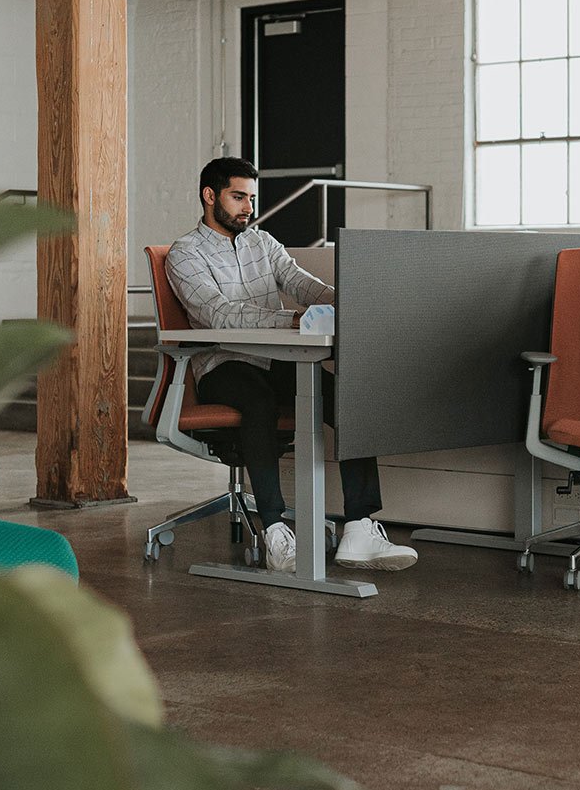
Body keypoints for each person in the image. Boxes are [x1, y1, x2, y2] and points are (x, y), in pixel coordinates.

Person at [166, 156, 417, 574]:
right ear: (210, 196)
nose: (248, 207)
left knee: (346, 396)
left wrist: (346, 299)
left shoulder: (262, 243)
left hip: (276, 358)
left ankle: (359, 527)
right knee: (259, 401)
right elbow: (219, 314)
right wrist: (294, 321)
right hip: (221, 365)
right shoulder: (185, 253)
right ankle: (275, 533)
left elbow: (302, 284)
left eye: (252, 198)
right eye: (238, 197)